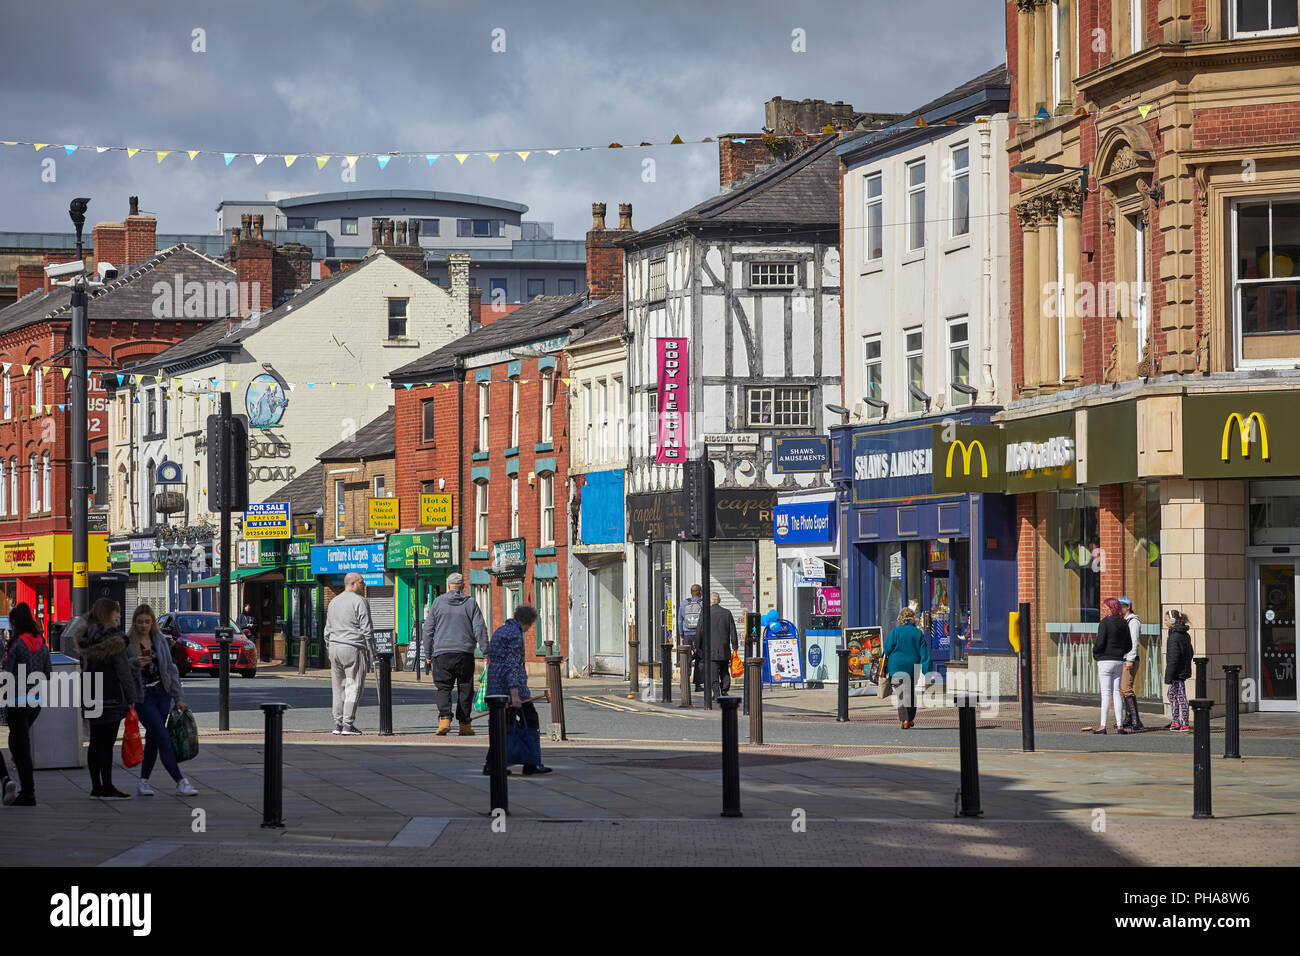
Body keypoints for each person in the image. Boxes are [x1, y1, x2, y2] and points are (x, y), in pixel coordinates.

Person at [127, 605, 198, 796]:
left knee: (153, 739)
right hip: (144, 697)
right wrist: (135, 663)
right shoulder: (128, 643)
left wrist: (178, 697)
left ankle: (143, 782)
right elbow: (123, 671)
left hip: (163, 693)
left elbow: (170, 669)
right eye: (140, 622)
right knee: (163, 737)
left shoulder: (158, 640)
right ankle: (181, 781)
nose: (143, 625)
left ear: (152, 623)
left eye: (147, 622)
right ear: (135, 622)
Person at [75, 598, 138, 798]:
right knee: (107, 744)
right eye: (115, 612)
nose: (118, 616)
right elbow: (123, 671)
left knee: (95, 743)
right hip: (111, 697)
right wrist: (132, 697)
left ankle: (96, 786)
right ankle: (108, 785)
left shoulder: (87, 637)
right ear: (107, 614)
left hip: (91, 695)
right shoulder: (114, 639)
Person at [483, 605, 550, 776]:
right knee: (531, 719)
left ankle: (493, 764)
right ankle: (530, 763)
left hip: (495, 684)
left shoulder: (502, 629)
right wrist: (515, 694)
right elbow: (512, 665)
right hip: (510, 687)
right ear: (527, 622)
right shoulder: (515, 635)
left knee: (500, 726)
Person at [423, 572, 488, 736]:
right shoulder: (471, 603)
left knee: (443, 688)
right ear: (463, 586)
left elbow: (428, 630)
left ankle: (444, 719)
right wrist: (486, 651)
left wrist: (428, 653)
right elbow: (480, 628)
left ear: (448, 585)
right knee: (465, 688)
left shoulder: (437, 603)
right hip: (464, 653)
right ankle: (464, 725)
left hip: (442, 653)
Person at [2, 603, 50, 806]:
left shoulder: (16, 644)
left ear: (15, 622)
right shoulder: (41, 641)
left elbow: (7, 672)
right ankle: (21, 785)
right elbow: (48, 672)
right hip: (35, 700)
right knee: (17, 742)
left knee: (20, 747)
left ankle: (28, 792)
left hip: (16, 701)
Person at [324, 572, 375, 736]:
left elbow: (327, 629)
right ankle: (347, 724)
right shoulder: (360, 601)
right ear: (353, 583)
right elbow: (367, 629)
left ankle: (337, 723)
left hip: (334, 647)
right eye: (361, 582)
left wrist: (328, 648)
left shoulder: (333, 601)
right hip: (352, 647)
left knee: (338, 688)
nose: (364, 585)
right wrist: (373, 651)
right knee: (353, 686)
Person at [883, 606, 932, 729]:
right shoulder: (917, 633)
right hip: (912, 667)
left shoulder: (895, 632)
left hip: (896, 666)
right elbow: (924, 653)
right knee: (910, 692)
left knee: (901, 693)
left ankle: (904, 719)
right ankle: (910, 718)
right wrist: (927, 671)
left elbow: (887, 648)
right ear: (912, 619)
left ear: (901, 619)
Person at [1092, 598, 1131, 735]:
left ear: (1111, 608)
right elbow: (1129, 645)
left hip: (1104, 660)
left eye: (1106, 608)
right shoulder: (1123, 623)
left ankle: (1102, 726)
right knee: (1116, 692)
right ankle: (1120, 726)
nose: (1103, 610)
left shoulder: (1105, 623)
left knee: (1106, 694)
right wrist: (1120, 653)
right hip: (1118, 661)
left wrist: (1096, 655)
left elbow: (1100, 642)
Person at [1118, 596, 1145, 732]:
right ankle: (1129, 717)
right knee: (1124, 689)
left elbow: (1134, 642)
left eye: (1122, 606)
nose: (1120, 609)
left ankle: (1135, 719)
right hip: (1124, 658)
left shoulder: (1133, 621)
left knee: (1126, 688)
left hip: (1130, 659)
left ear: (1128, 606)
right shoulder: (1124, 621)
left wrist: (1130, 659)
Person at [1164, 609, 1193, 732]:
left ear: (1172, 620)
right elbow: (1190, 652)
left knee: (1180, 696)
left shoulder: (1174, 637)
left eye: (1166, 620)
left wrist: (1169, 675)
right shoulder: (1184, 635)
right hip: (1182, 670)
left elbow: (1173, 658)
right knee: (1172, 695)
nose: (1165, 622)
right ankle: (1176, 721)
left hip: (1177, 672)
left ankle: (1184, 722)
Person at [707, 593, 739, 697]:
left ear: (710, 602)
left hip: (711, 648)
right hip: (724, 648)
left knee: (713, 672)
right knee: (725, 670)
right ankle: (724, 690)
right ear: (719, 601)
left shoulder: (706, 613)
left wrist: (698, 646)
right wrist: (735, 646)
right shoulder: (727, 613)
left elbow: (700, 631)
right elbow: (733, 630)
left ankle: (716, 693)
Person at [678, 584, 705, 691]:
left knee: (687, 659)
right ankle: (698, 685)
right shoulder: (703, 603)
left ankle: (684, 682)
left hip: (687, 634)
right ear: (700, 592)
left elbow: (680, 620)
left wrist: (681, 635)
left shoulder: (684, 603)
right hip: (699, 635)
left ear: (691, 592)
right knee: (700, 659)